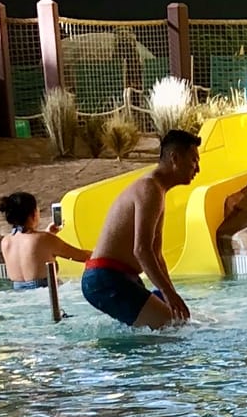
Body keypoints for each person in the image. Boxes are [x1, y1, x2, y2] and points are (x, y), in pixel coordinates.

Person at [80, 129, 200, 330]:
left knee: (180, 322)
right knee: (171, 328)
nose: (198, 168)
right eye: (194, 160)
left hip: (121, 278)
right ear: (175, 158)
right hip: (105, 279)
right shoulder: (149, 189)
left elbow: (157, 255)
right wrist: (169, 294)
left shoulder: (158, 191)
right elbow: (141, 250)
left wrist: (171, 293)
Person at [0, 191, 90, 289]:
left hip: (18, 294)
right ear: (33, 213)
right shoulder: (44, 239)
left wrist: (49, 234)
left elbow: (34, 252)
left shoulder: (6, 241)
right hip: (46, 295)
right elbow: (83, 256)